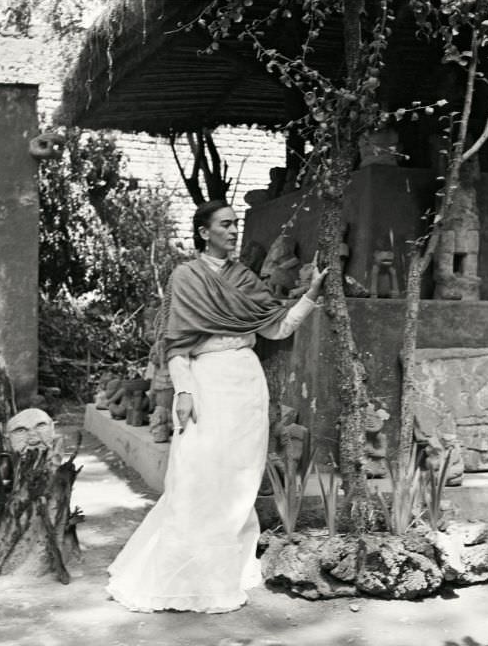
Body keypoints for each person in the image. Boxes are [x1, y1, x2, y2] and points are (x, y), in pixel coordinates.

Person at [106, 199, 328, 613]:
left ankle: (228, 567)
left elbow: (277, 329)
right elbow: (176, 344)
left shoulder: (245, 278)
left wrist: (311, 295)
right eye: (224, 225)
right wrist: (185, 392)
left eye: (235, 224)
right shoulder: (186, 277)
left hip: (246, 384)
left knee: (240, 478)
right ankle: (184, 573)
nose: (232, 231)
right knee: (197, 476)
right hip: (206, 384)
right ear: (204, 231)